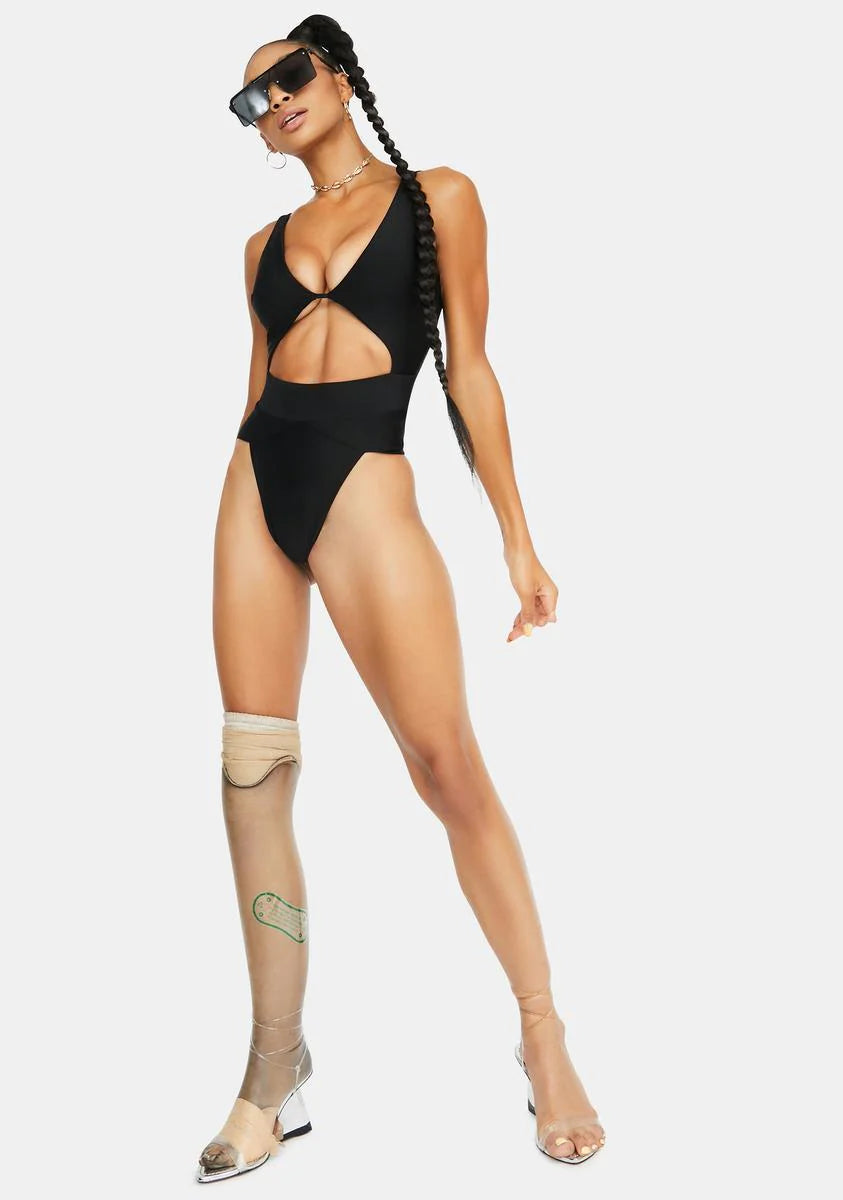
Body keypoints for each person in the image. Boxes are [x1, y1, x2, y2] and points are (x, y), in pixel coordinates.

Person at [197, 13, 606, 1183]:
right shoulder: (259, 247)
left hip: (369, 483)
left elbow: (469, 368)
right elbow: (257, 388)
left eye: (289, 75)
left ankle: (543, 1034)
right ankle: (274, 1070)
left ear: (337, 74)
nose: (275, 101)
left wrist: (517, 539)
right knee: (251, 771)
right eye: (251, 101)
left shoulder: (440, 199)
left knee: (444, 766)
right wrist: (254, 481)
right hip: (256, 481)